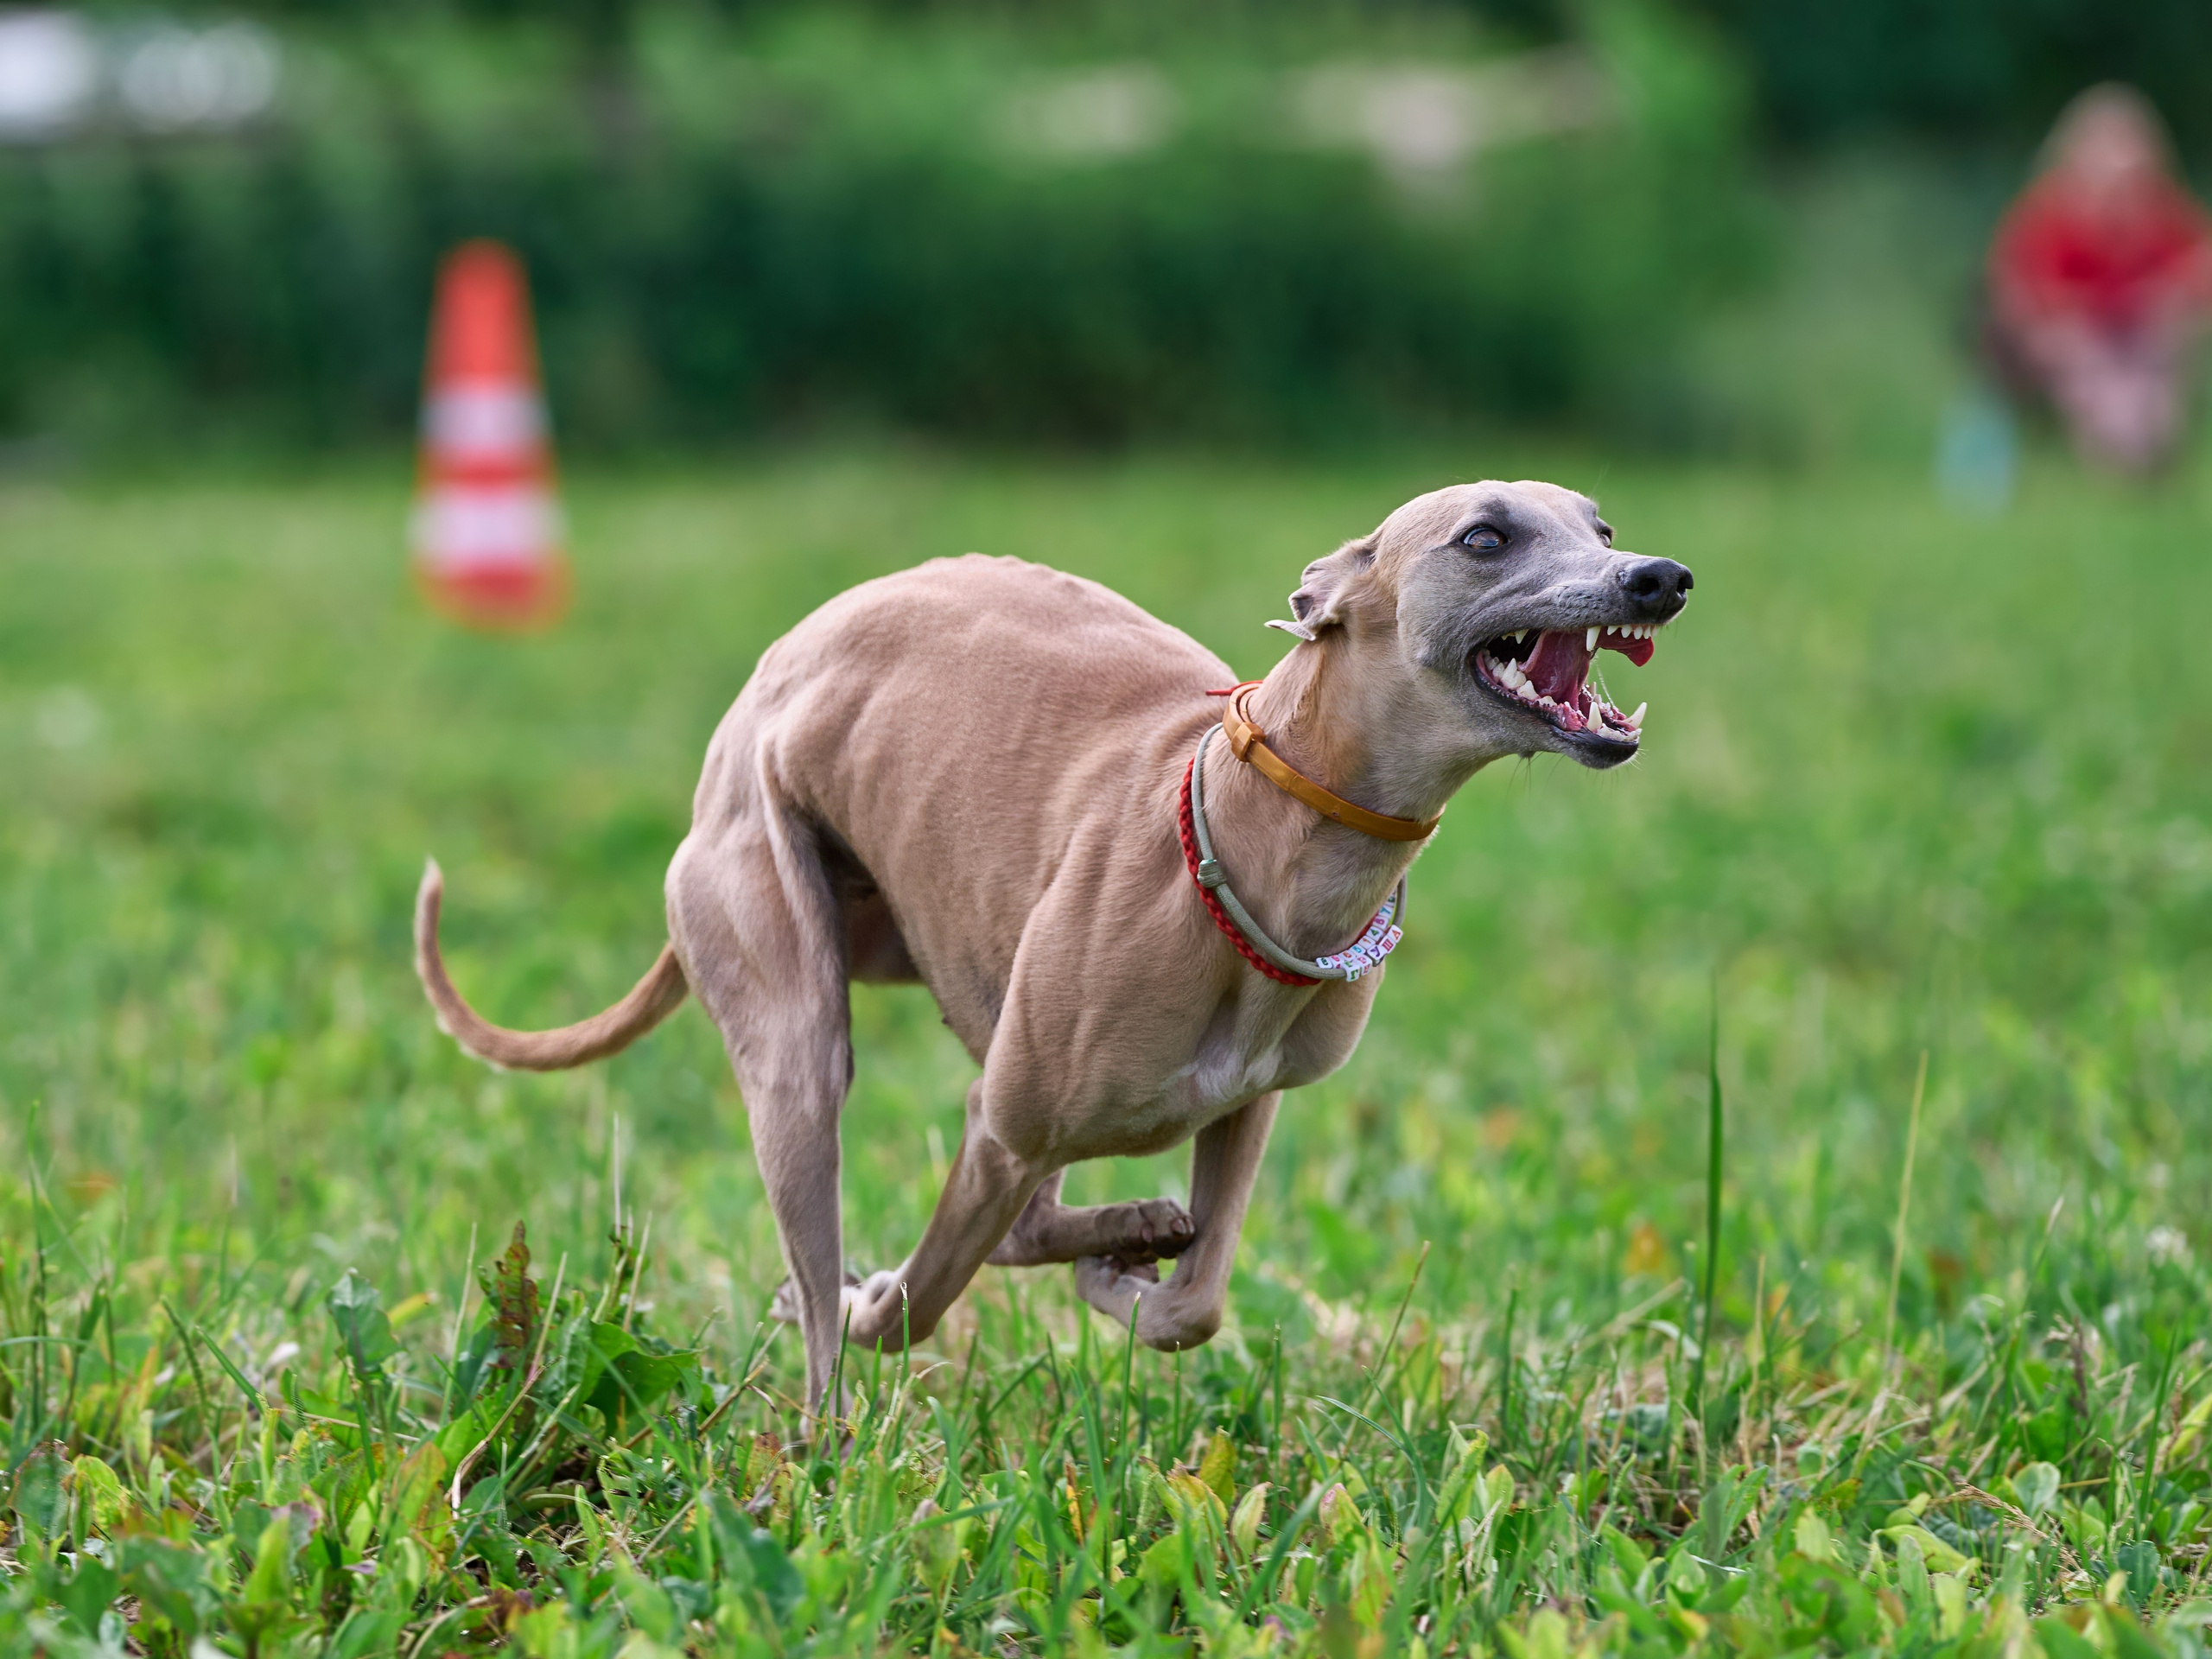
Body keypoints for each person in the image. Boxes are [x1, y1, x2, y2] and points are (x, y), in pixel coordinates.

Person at [1987, 85, 2212, 474]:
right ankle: (2117, 451)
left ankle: (2141, 445)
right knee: (2099, 370)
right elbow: (2025, 301)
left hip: (2139, 344)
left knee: (2148, 372)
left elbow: (2198, 269)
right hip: (2074, 345)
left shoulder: (2161, 215)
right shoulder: (2050, 218)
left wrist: (2165, 299)